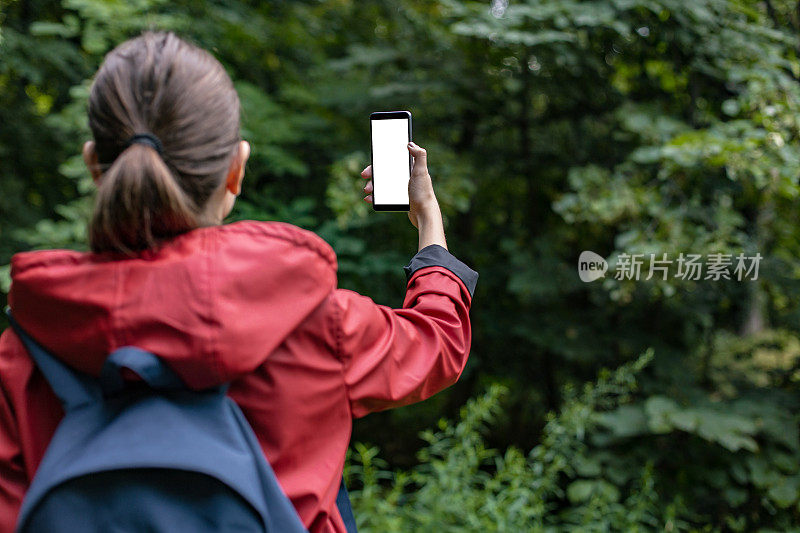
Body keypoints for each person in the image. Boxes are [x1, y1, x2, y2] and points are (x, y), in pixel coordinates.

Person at [0, 31, 477, 532]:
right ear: (236, 170)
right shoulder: (317, 323)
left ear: (94, 164)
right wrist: (429, 222)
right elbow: (435, 341)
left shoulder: (25, 351)